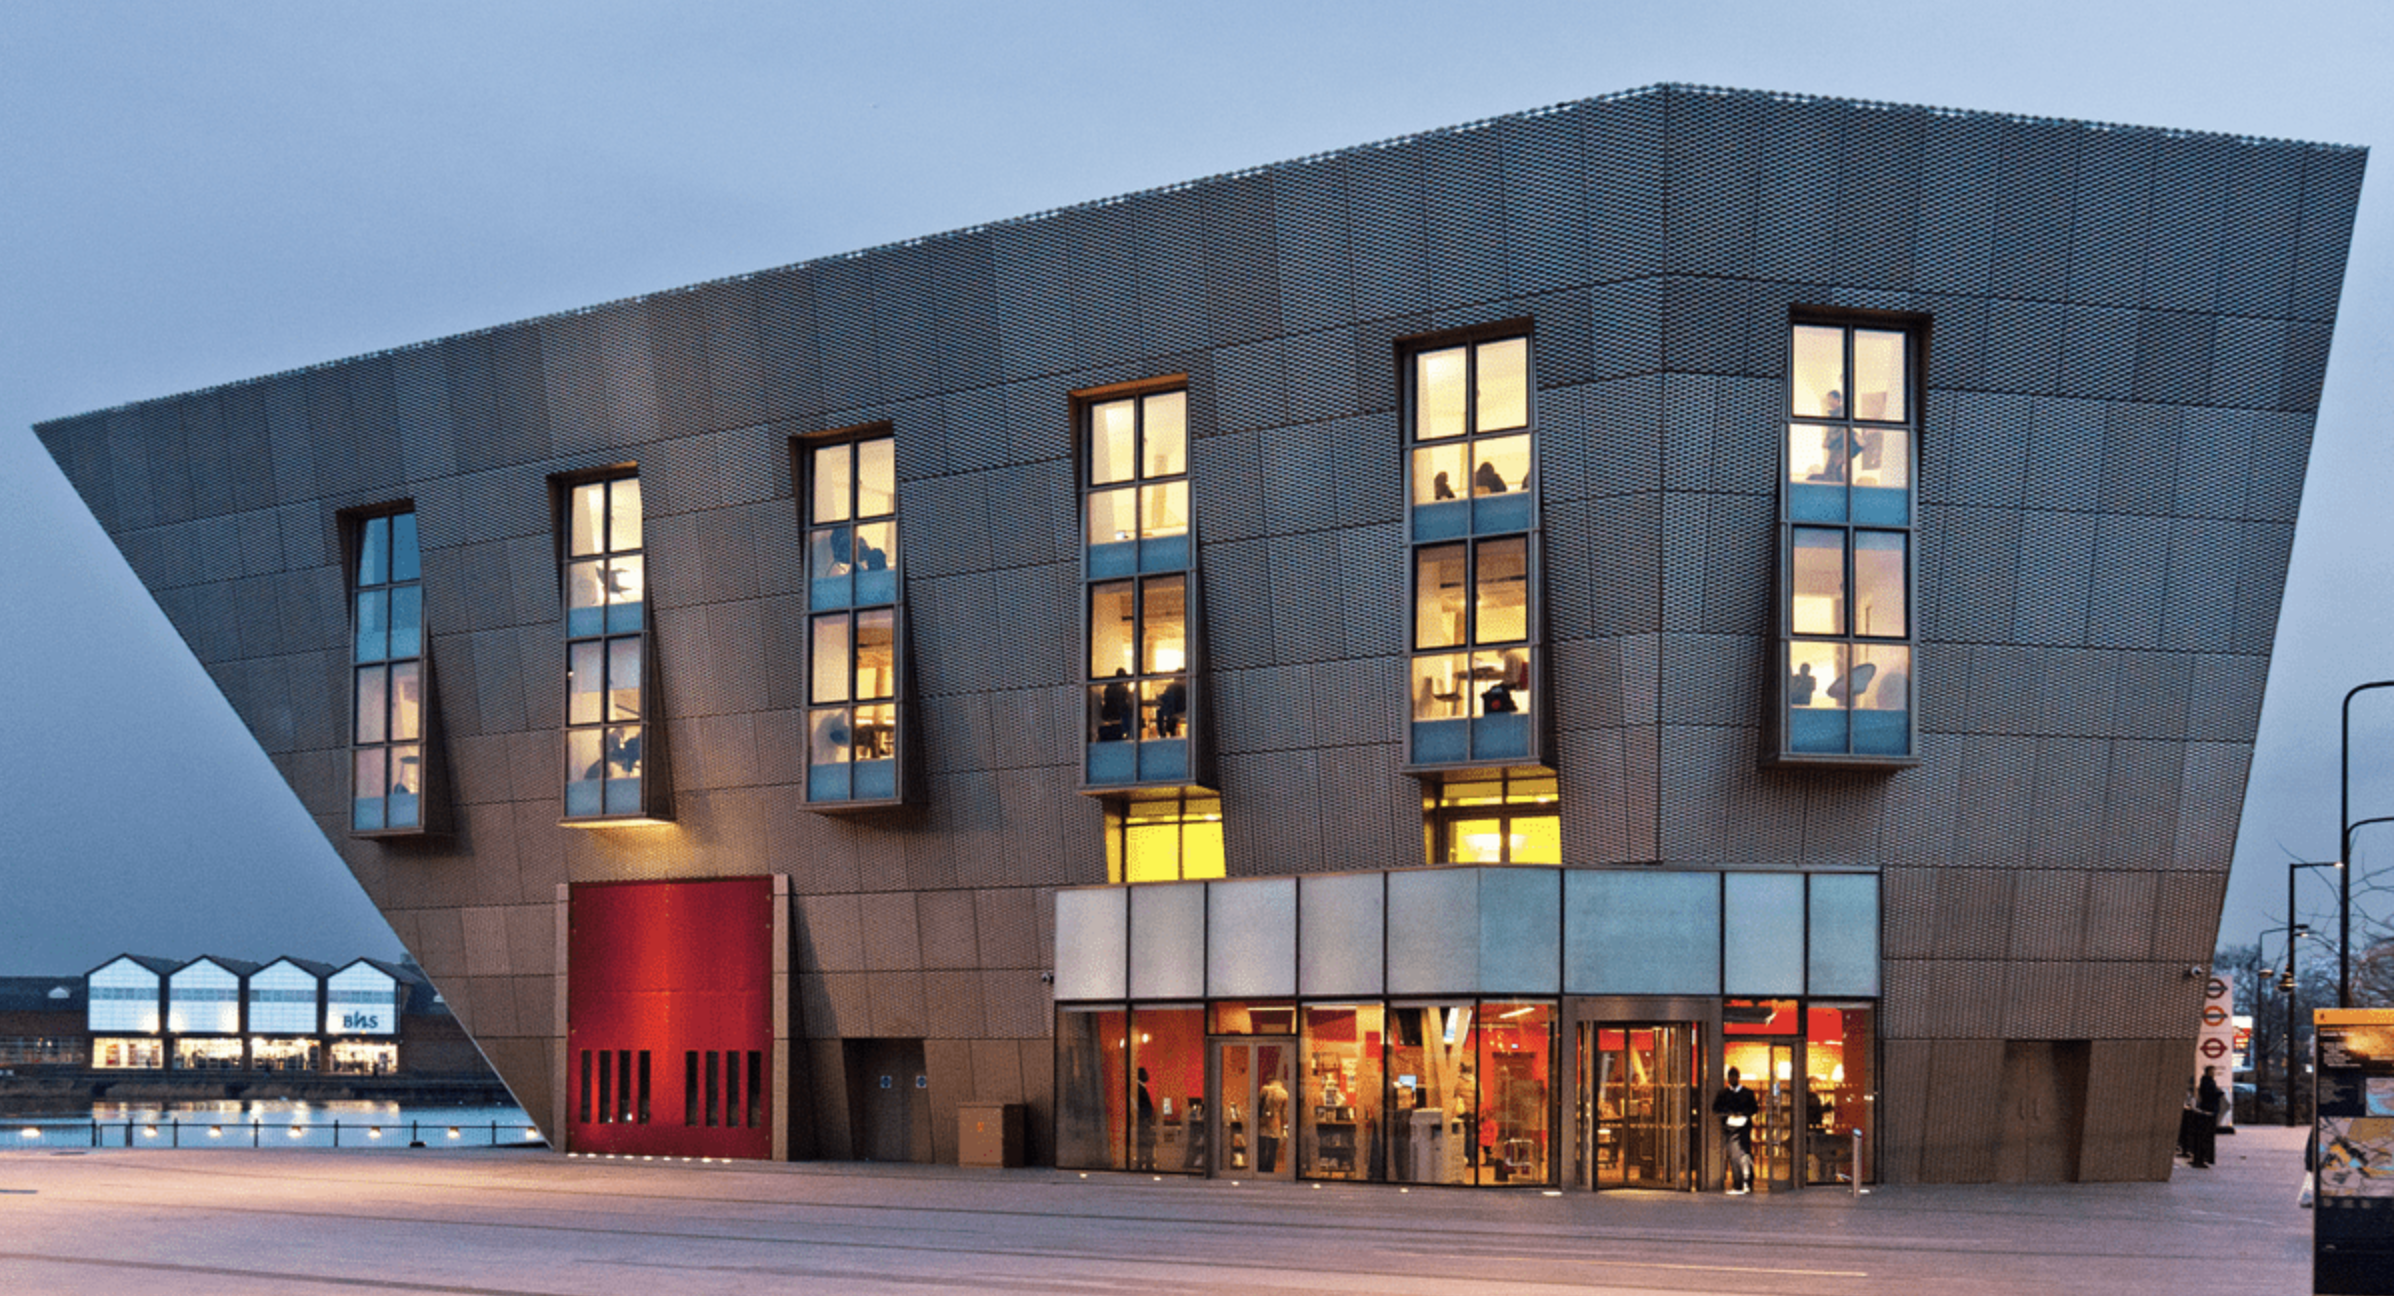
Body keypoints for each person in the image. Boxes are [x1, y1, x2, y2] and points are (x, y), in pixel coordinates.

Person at [1713, 1066, 1759, 1194]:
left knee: (1744, 1154)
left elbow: (1754, 1108)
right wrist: (1728, 1114)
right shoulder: (1723, 1094)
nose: (1732, 1079)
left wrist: (1742, 1113)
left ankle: (1747, 1181)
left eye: (1734, 1076)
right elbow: (1716, 1109)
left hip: (1743, 1128)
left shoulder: (1747, 1093)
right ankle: (1738, 1182)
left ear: (1738, 1078)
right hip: (1730, 1129)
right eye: (1730, 1077)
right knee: (1734, 1156)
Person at [2190, 1066, 2224, 1168]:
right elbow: (2209, 1095)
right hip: (2208, 1110)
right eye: (2212, 1071)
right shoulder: (2208, 1082)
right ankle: (2202, 1158)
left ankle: (2201, 1158)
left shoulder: (2206, 1082)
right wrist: (2219, 1093)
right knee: (2205, 1135)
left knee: (2204, 1136)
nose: (2214, 1073)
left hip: (2207, 1109)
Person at [1257, 1073, 1290, 1174]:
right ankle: (1270, 1168)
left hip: (1264, 1121)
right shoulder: (1284, 1093)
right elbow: (1285, 1113)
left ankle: (1261, 1167)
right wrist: (1284, 1123)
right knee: (1273, 1146)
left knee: (1262, 1144)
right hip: (1276, 1121)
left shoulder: (1265, 1089)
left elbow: (1258, 1104)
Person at [1098, 669, 1133, 742]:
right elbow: (1128, 701)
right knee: (1129, 712)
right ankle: (1129, 735)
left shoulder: (1108, 687)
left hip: (1108, 716)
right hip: (1118, 715)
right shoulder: (1123, 689)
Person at [1134, 1066, 1158, 1171]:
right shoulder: (1139, 1089)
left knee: (1145, 1143)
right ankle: (1147, 1164)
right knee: (1147, 1142)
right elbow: (1144, 1106)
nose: (1147, 1075)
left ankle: (1144, 1163)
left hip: (1144, 1120)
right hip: (1143, 1121)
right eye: (1145, 1073)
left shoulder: (1140, 1088)